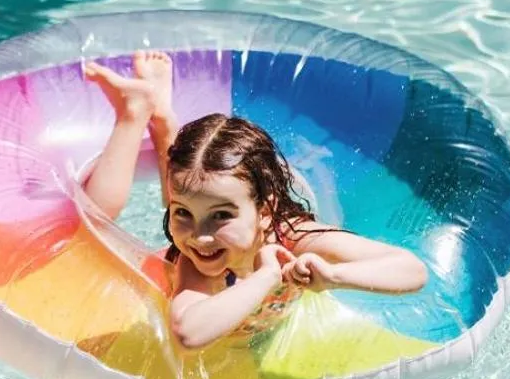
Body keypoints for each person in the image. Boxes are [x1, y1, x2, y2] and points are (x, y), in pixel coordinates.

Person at [80, 51, 428, 349]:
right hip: (167, 273)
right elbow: (188, 333)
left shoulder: (295, 237)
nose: (200, 236)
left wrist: (335, 275)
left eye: (221, 216)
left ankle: (156, 115)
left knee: (192, 192)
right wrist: (267, 276)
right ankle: (135, 114)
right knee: (97, 219)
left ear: (265, 209)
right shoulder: (195, 262)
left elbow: (411, 269)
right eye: (182, 213)